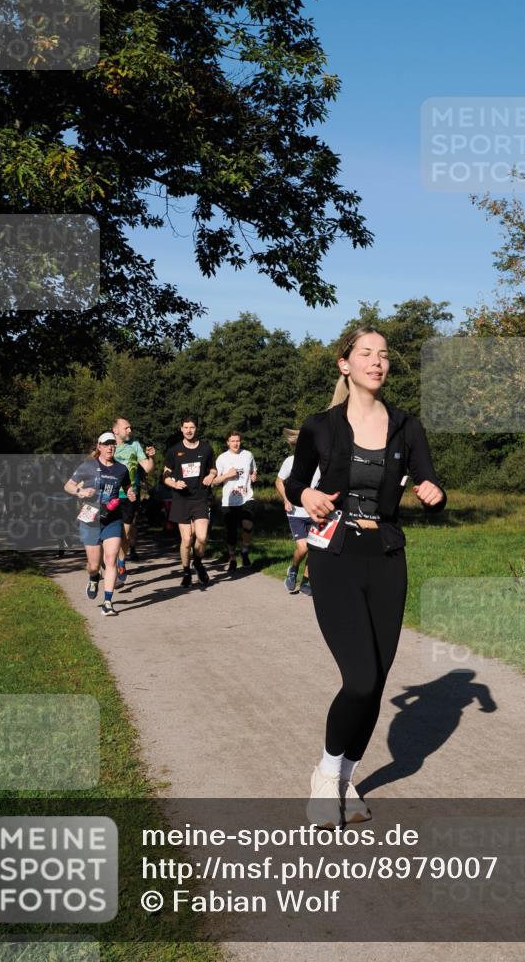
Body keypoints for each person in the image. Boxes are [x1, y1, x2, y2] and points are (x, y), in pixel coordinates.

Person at [285, 325, 446, 827]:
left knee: (376, 683)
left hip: (386, 556)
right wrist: (305, 495)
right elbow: (294, 480)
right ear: (345, 364)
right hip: (335, 555)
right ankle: (324, 774)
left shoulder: (407, 426)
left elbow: (429, 480)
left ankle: (346, 778)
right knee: (359, 678)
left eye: (384, 355)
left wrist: (434, 492)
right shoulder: (321, 426)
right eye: (366, 353)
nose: (377, 362)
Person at [63, 432, 136, 617]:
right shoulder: (88, 466)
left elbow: (127, 486)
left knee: (111, 560)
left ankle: (108, 603)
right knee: (94, 565)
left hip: (112, 518)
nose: (110, 447)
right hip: (90, 518)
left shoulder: (121, 469)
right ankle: (94, 577)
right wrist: (79, 491)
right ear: (99, 447)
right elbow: (68, 485)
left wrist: (130, 493)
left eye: (113, 444)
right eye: (106, 444)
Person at [162, 416, 217, 588]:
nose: (188, 430)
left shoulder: (206, 448)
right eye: (185, 427)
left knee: (202, 537)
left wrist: (211, 475)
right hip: (181, 499)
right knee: (186, 540)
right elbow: (165, 475)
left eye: (191, 427)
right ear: (181, 429)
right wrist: (174, 484)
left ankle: (198, 563)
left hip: (200, 498)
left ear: (196, 428)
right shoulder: (174, 450)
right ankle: (186, 571)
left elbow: (213, 468)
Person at [275, 428, 319, 596]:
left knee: (314, 549)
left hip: (315, 512)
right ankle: (293, 569)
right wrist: (286, 499)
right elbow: (279, 481)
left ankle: (306, 582)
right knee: (303, 547)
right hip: (295, 512)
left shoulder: (321, 462)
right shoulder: (290, 461)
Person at [112, 416, 156, 576]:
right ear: (115, 430)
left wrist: (151, 457)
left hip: (129, 495)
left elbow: (148, 469)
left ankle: (121, 562)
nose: (130, 430)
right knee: (109, 534)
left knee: (124, 534)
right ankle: (109, 562)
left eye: (130, 427)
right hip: (109, 495)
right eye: (126, 428)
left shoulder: (135, 445)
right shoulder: (107, 445)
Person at [214, 431, 257, 572]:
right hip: (229, 501)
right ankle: (232, 557)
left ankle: (244, 552)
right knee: (231, 533)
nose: (235, 443)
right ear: (227, 442)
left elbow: (254, 470)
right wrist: (227, 475)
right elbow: (215, 481)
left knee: (248, 525)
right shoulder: (222, 458)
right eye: (232, 441)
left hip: (246, 497)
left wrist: (254, 475)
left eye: (237, 440)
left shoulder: (248, 455)